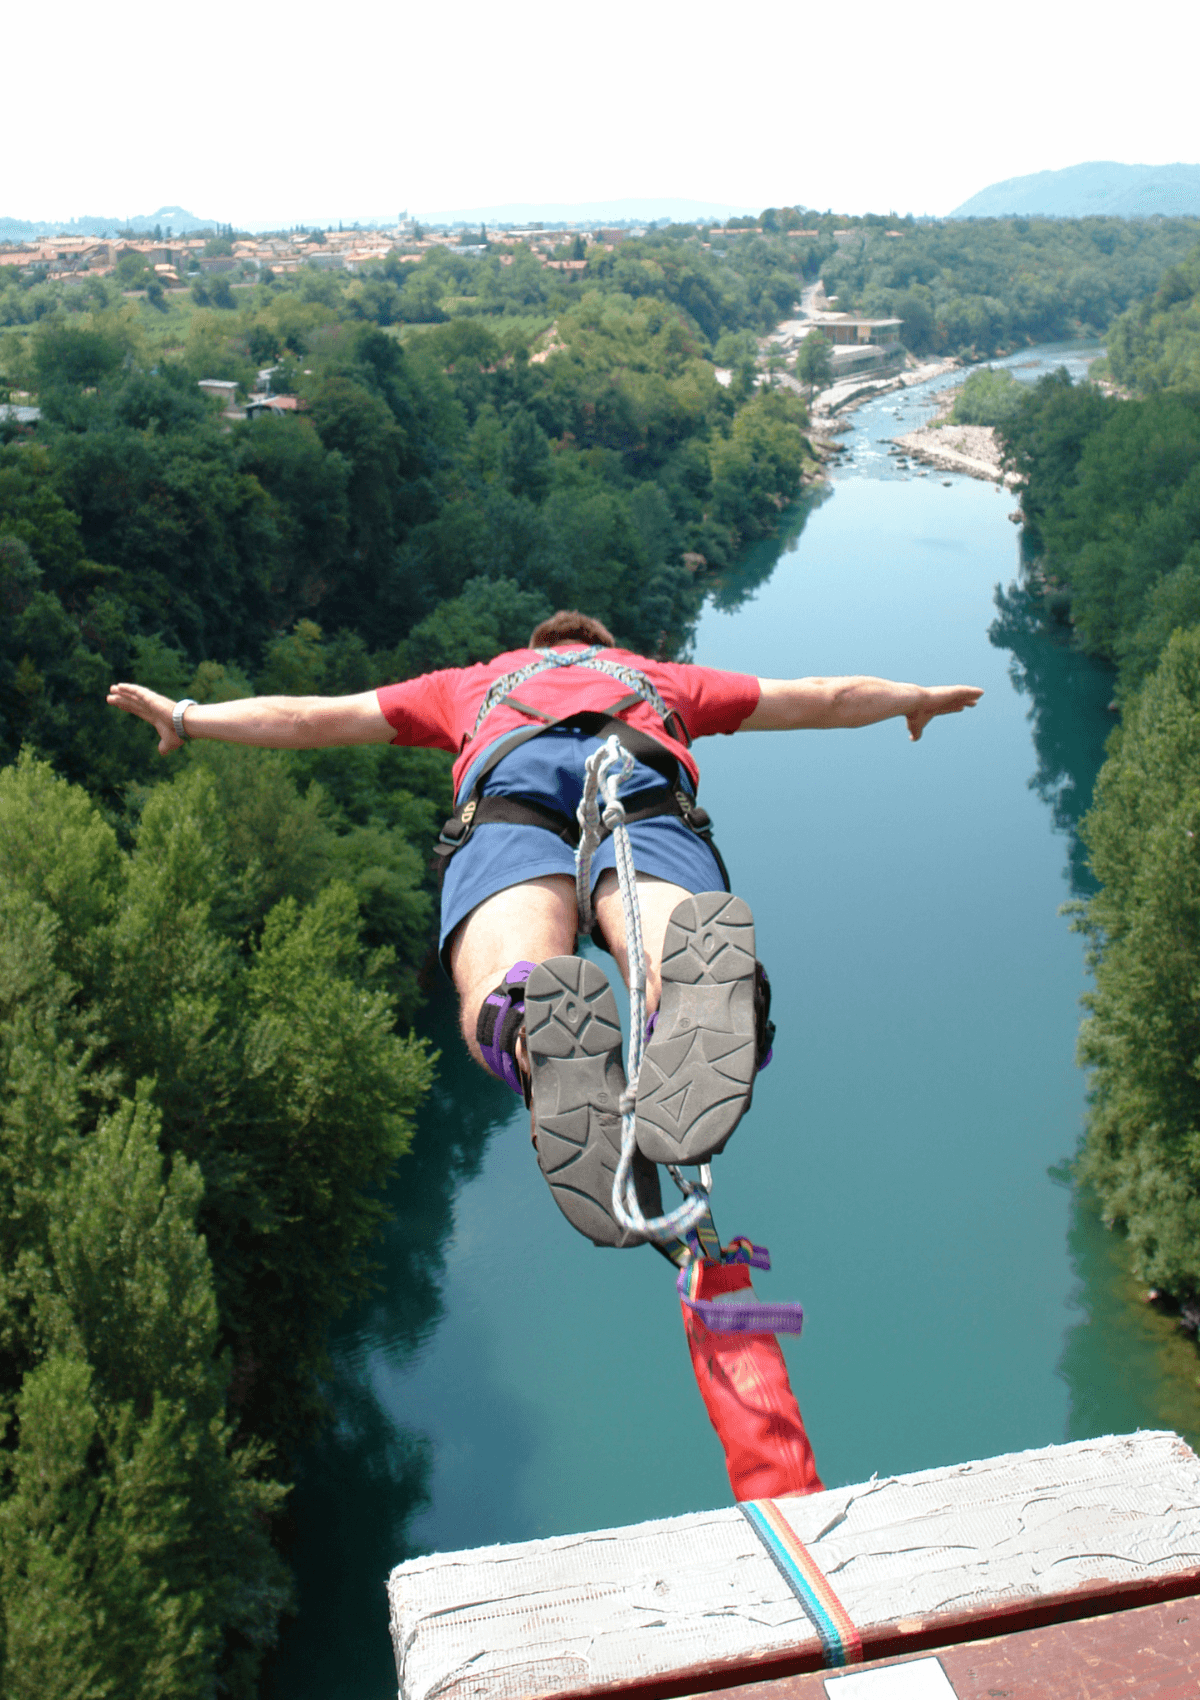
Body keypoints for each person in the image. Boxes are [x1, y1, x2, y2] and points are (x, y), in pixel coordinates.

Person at [108, 610, 982, 1255]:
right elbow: (821, 697)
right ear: (601, 645)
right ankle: (693, 990)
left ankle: (529, 1029)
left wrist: (185, 715)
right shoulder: (660, 680)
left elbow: (308, 718)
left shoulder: (468, 685)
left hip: (508, 782)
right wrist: (917, 698)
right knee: (669, 931)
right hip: (637, 771)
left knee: (513, 972)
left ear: (537, 648)